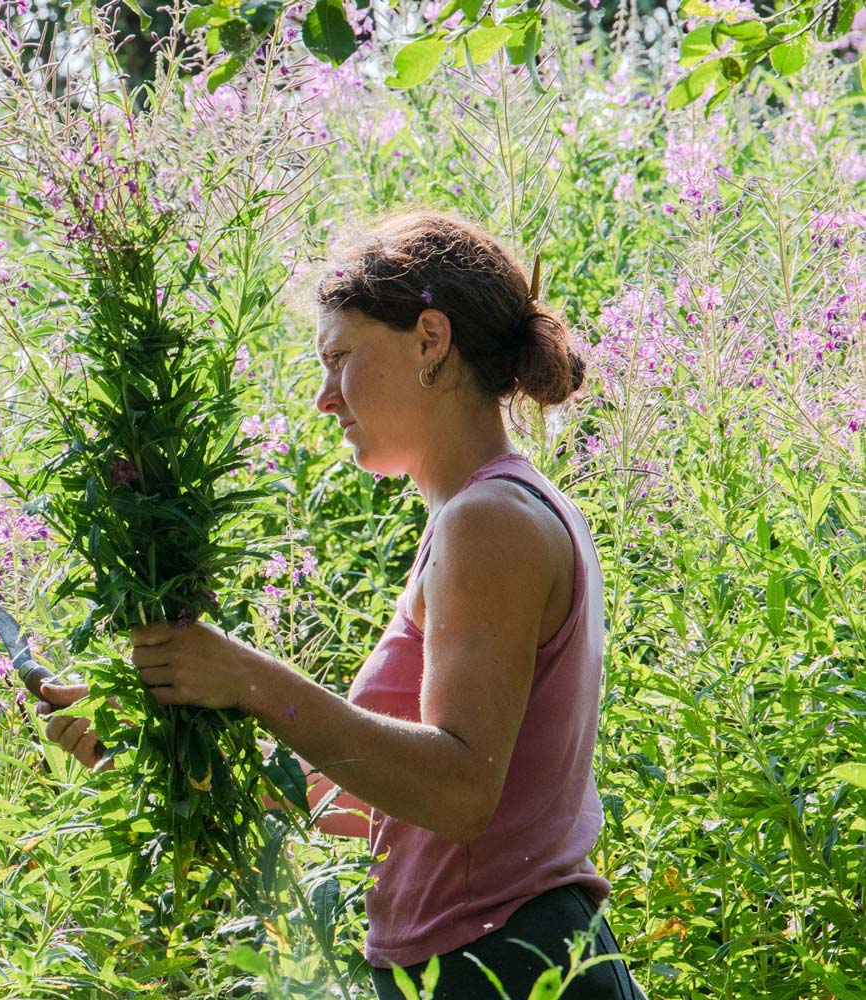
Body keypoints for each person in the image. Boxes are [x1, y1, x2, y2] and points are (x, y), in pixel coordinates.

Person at [35, 209, 648, 999]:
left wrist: (250, 679)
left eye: (340, 358)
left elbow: (459, 792)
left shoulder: (490, 521)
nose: (325, 397)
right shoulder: (485, 515)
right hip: (483, 962)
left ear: (431, 340)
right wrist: (152, 745)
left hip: (507, 967)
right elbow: (371, 799)